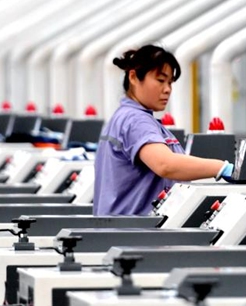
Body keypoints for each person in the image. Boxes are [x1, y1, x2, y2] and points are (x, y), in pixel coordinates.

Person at [93, 45, 234, 216]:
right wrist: (222, 168)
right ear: (134, 77)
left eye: (170, 83)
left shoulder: (124, 116)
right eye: (160, 80)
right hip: (135, 229)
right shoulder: (136, 120)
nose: (167, 89)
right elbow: (165, 165)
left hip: (122, 227)